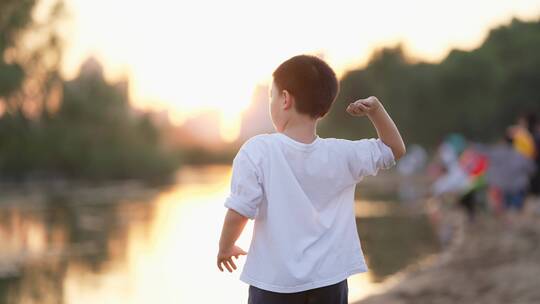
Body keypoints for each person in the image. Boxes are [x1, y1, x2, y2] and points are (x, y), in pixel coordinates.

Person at [216, 54, 406, 304]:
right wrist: (376, 111)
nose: (271, 102)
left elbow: (240, 210)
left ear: (285, 99)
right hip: (330, 282)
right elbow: (394, 149)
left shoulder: (258, 150)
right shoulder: (342, 153)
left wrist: (225, 247)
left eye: (272, 96)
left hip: (274, 283)